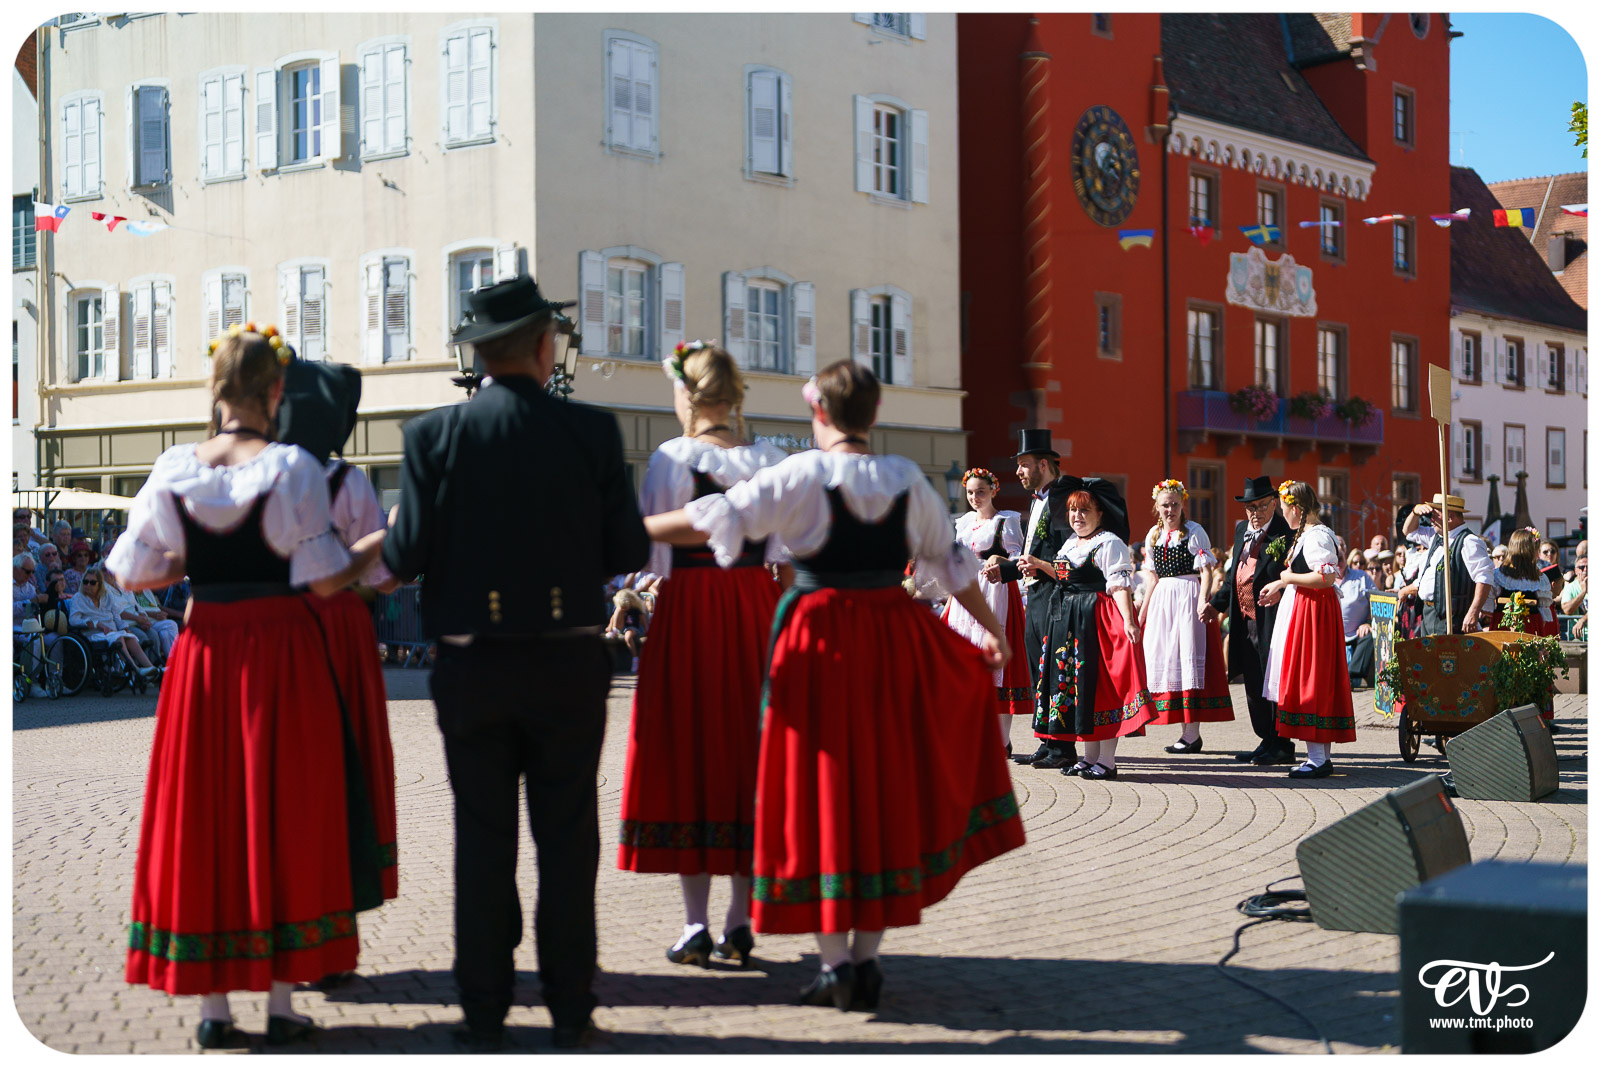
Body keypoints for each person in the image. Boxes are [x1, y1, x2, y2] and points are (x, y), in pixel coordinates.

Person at [643, 361, 1024, 1013]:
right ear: (872, 415)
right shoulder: (905, 477)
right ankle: (867, 957)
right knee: (880, 783)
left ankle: (834, 962)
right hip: (890, 638)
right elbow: (952, 563)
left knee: (817, 786)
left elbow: (715, 520)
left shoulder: (799, 474)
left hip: (817, 641)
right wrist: (991, 632)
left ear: (819, 412)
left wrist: (629, 532)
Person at [381, 274, 649, 1052]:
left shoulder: (433, 436)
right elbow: (629, 550)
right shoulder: (592, 433)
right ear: (542, 345)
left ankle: (485, 1001)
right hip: (567, 656)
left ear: (479, 353)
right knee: (568, 839)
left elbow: (405, 554)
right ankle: (570, 1000)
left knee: (482, 836)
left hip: (474, 661)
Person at [107, 327, 385, 1049]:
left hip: (206, 650)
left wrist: (203, 569)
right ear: (274, 392)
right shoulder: (292, 467)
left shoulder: (175, 466)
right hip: (282, 654)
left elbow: (134, 572)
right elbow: (321, 577)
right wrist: (381, 543)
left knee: (208, 810)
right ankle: (284, 1002)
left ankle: (215, 1010)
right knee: (285, 807)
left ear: (216, 391)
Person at [616, 341, 788, 971]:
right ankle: (741, 920)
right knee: (747, 750)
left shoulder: (671, 458)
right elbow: (785, 557)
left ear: (688, 394)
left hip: (690, 607)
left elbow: (649, 548)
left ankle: (696, 924)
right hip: (752, 608)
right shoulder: (767, 459)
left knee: (689, 748)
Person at [1033, 478, 1155, 778]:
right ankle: (1088, 757)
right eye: (1073, 511)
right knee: (1078, 690)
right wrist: (1037, 564)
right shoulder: (1069, 544)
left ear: (1100, 513)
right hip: (1068, 620)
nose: (1077, 516)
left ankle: (1107, 761)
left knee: (1100, 688)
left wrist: (1128, 621)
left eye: (1084, 511)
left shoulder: (1109, 542)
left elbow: (1119, 585)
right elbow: (1064, 575)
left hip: (1097, 620)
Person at [1258, 482, 1355, 780]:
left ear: (1297, 509)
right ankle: (1319, 756)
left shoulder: (1316, 536)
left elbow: (1326, 576)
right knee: (1312, 677)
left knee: (1310, 677)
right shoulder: (1309, 535)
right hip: (1308, 610)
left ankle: (1317, 759)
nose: (1284, 515)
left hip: (1313, 614)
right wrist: (1283, 583)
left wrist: (1287, 576)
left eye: (1285, 509)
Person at [998, 429, 1080, 770]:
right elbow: (1033, 556)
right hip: (1035, 597)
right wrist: (1004, 572)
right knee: (1039, 671)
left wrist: (1037, 565)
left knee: (1057, 669)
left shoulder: (1062, 500)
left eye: (1024, 465)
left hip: (1056, 599)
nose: (1019, 472)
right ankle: (1047, 740)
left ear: (1043, 465)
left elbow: (1070, 558)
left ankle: (1063, 746)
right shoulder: (1039, 501)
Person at [1203, 476, 1297, 766]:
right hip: (1244, 620)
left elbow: (1293, 574)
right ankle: (1265, 738)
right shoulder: (1243, 530)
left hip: (1271, 619)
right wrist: (1215, 605)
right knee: (1253, 682)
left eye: (1260, 506)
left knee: (1273, 681)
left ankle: (1282, 743)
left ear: (1274, 504)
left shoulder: (1285, 533)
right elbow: (1235, 577)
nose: (1254, 513)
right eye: (1249, 508)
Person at [1137, 479, 1232, 754]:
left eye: (1175, 505)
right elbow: (1152, 578)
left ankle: (1192, 734)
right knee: (1167, 659)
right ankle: (1182, 731)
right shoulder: (1154, 535)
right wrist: (1143, 614)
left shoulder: (1194, 532)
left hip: (1188, 596)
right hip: (1163, 600)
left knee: (1188, 659)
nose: (1170, 510)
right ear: (1157, 507)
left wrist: (1203, 600)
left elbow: (1206, 571)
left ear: (1182, 505)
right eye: (1165, 505)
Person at [949, 467, 1031, 751]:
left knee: (996, 660)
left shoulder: (1005, 520)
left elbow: (1018, 556)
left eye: (980, 491)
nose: (974, 497)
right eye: (970, 492)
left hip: (995, 591)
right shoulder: (964, 522)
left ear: (993, 490)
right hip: (966, 592)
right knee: (966, 659)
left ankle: (1001, 739)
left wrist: (1000, 556)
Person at [1398, 495, 1494, 634]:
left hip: (1449, 617)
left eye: (1435, 515)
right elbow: (1408, 532)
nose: (1431, 519)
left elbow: (1484, 578)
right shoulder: (1435, 536)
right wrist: (1414, 512)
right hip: (1428, 613)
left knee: (1444, 655)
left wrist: (1473, 612)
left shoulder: (1469, 541)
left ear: (1449, 517)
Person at [68, 565, 160, 677]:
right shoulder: (78, 598)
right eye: (86, 582)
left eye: (92, 583)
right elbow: (73, 620)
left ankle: (151, 669)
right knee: (119, 637)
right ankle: (135, 670)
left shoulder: (107, 595)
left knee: (129, 637)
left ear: (99, 584)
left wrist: (125, 627)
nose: (88, 585)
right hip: (93, 633)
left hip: (111, 631)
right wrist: (95, 623)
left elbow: (116, 616)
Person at [1486, 529, 1558, 638]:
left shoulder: (1498, 575)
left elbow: (1488, 609)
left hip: (1503, 626)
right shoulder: (1539, 579)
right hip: (1529, 628)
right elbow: (1544, 616)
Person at [1336, 549, 1376, 687]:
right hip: (1333, 634)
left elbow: (1376, 601)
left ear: (1345, 557)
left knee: (1371, 634)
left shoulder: (1362, 576)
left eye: (1340, 558)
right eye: (1334, 559)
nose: (1338, 562)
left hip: (1358, 632)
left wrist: (1368, 622)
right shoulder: (1323, 579)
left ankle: (1351, 676)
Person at [605, 588, 649, 670]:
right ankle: (614, 630)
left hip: (633, 628)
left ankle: (635, 659)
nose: (624, 608)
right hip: (620, 627)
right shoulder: (619, 609)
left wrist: (647, 632)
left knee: (628, 637)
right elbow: (613, 617)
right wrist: (610, 626)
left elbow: (644, 622)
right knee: (618, 609)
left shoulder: (636, 610)